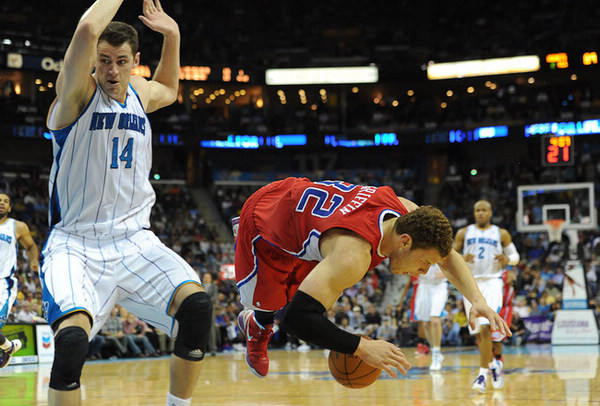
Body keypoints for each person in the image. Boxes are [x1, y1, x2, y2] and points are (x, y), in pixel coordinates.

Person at [40, 1, 212, 405]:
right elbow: (85, 28)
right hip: (76, 244)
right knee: (70, 343)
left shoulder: (138, 92)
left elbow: (169, 89)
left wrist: (172, 36)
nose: (112, 71)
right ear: (92, 62)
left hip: (136, 241)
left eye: (120, 61)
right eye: (103, 61)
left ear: (135, 61)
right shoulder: (75, 97)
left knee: (198, 307)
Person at [233, 177, 511, 378]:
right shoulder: (353, 256)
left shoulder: (405, 211)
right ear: (404, 242)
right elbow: (295, 320)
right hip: (266, 220)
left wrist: (477, 300)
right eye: (425, 263)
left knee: (302, 291)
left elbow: (448, 256)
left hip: (308, 219)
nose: (425, 271)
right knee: (269, 302)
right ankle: (257, 325)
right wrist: (361, 347)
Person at [454, 200, 520, 393]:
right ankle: (493, 366)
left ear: (490, 213)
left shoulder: (501, 233)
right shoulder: (464, 233)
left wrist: (508, 259)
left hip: (493, 282)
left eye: (484, 210)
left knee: (485, 328)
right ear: (474, 213)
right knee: (478, 332)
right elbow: (449, 254)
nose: (480, 213)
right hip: (471, 283)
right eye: (477, 210)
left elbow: (515, 257)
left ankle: (482, 375)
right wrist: (461, 258)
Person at [0, 193, 39, 368]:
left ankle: (8, 347)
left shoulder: (17, 226)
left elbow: (31, 246)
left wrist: (33, 260)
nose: (1, 203)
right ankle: (9, 347)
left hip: (3, 283)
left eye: (5, 201)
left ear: (9, 208)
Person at [408, 264, 449, 371]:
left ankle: (436, 354)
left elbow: (452, 261)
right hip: (424, 285)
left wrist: (446, 271)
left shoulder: (443, 248)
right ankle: (435, 350)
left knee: (435, 320)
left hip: (439, 285)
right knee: (426, 323)